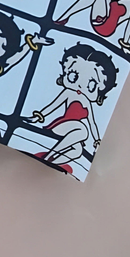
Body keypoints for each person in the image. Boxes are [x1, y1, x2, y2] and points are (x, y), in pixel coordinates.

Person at [29, 42, 118, 173]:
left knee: (78, 151)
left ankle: (50, 159)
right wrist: (38, 116)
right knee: (83, 130)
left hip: (74, 132)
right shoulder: (68, 92)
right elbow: (53, 106)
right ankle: (48, 156)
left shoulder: (87, 102)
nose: (81, 85)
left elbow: (92, 123)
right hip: (62, 125)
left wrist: (97, 140)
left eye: (91, 84)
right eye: (73, 76)